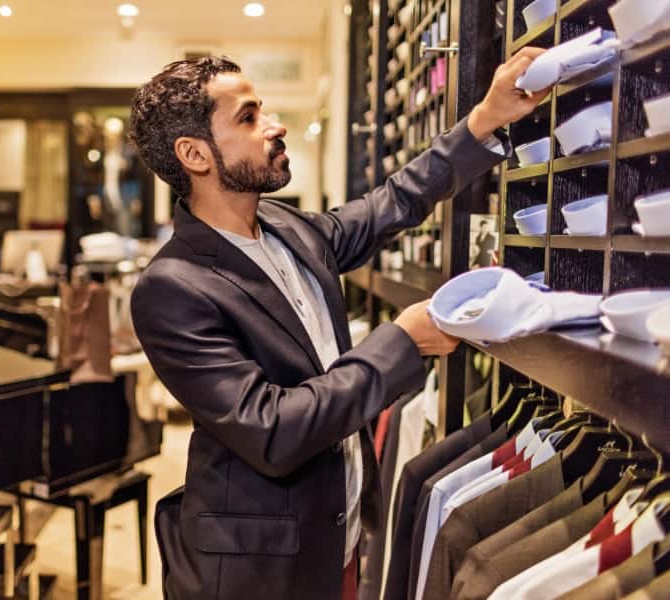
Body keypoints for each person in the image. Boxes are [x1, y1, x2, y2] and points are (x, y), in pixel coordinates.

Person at [128, 51, 549, 600]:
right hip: (260, 572)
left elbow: (391, 204)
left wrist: (485, 119)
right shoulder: (172, 288)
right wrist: (402, 342)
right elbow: (273, 429)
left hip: (336, 540)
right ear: (194, 154)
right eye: (248, 118)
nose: (274, 127)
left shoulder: (284, 228)